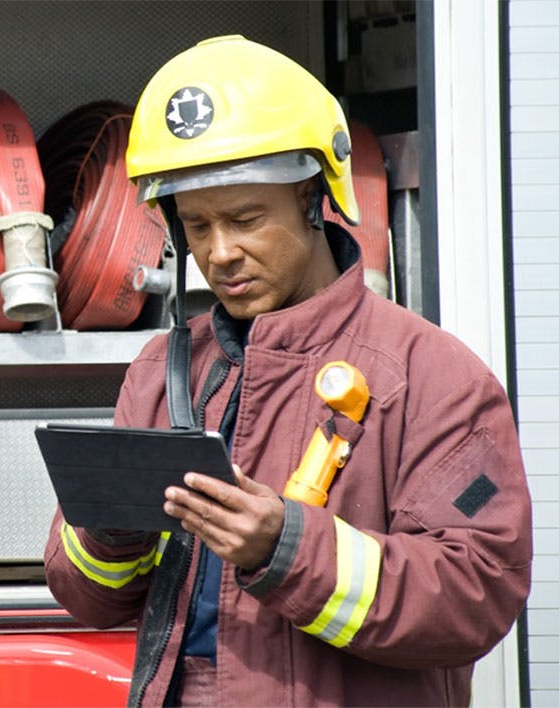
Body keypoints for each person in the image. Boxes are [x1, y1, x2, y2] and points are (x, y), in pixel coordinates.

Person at [44, 35, 532, 707]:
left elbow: (478, 591)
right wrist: (109, 528)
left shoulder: (429, 376)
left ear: (312, 198)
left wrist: (286, 548)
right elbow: (87, 597)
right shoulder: (162, 374)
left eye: (246, 219)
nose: (221, 253)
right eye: (197, 225)